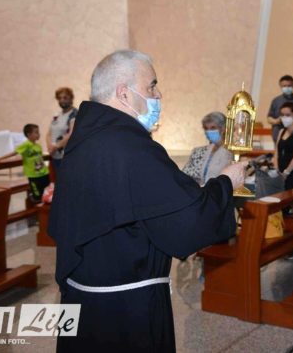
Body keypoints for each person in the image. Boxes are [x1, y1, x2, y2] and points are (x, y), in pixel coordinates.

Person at [48, 50, 246, 353]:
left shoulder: (84, 140)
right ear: (123, 93)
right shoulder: (131, 148)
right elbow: (189, 221)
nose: (158, 94)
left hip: (83, 298)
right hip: (126, 311)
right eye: (152, 85)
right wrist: (226, 183)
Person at [0, 123, 50, 203]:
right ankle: (35, 203)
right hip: (33, 175)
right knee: (37, 196)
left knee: (46, 192)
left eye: (38, 132)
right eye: (36, 132)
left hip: (44, 173)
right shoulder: (26, 144)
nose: (38, 134)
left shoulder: (38, 146)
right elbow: (14, 153)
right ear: (29, 134)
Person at [182, 111, 233, 185]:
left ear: (223, 128)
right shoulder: (199, 152)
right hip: (199, 189)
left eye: (213, 128)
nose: (209, 131)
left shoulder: (231, 151)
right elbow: (185, 175)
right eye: (206, 128)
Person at [46, 87, 78, 176]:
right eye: (59, 98)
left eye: (65, 97)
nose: (62, 100)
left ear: (71, 98)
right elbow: (49, 133)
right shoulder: (57, 115)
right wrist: (49, 147)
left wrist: (56, 146)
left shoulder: (74, 114)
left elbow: (71, 133)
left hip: (67, 156)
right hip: (54, 156)